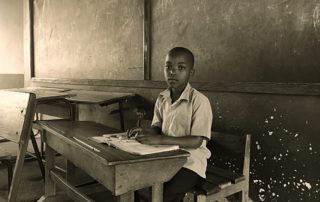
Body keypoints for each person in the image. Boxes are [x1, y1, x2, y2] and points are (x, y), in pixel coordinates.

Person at [133, 47, 213, 202]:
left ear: (191, 72)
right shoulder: (162, 98)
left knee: (164, 196)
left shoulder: (199, 101)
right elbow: (157, 128)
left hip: (191, 162)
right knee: (135, 183)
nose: (172, 72)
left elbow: (197, 141)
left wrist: (160, 140)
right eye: (168, 67)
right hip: (166, 156)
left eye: (181, 68)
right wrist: (145, 131)